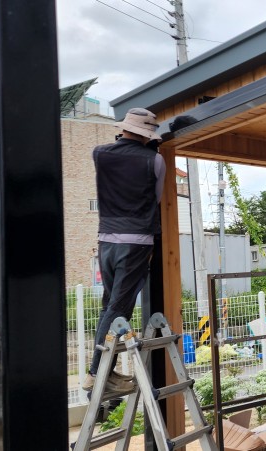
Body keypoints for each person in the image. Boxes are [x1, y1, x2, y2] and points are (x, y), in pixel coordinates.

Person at [82, 108, 166, 392]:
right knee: (119, 308)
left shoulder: (99, 153)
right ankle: (97, 374)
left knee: (109, 305)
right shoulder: (155, 160)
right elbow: (155, 199)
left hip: (106, 240)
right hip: (136, 242)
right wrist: (152, 151)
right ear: (148, 134)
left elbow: (120, 153)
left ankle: (104, 370)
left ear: (124, 128)